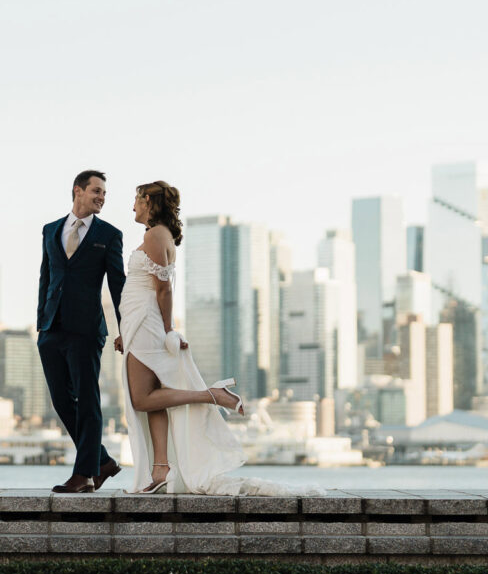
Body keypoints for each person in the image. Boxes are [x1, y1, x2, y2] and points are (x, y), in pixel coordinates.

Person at [119, 181, 323, 496]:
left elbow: (163, 289)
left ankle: (211, 395)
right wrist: (126, 331)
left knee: (141, 399)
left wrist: (168, 329)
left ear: (147, 200)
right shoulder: (156, 235)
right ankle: (161, 469)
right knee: (154, 397)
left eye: (135, 199)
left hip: (146, 323)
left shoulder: (155, 235)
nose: (132, 205)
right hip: (138, 323)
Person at [37, 170, 126, 493]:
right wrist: (40, 324)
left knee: (88, 400)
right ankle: (101, 461)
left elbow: (118, 285)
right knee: (62, 400)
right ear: (78, 191)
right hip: (51, 328)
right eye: (96, 191)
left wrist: (123, 328)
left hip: (86, 330)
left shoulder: (109, 235)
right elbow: (45, 278)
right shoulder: (50, 230)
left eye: (104, 193)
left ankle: (85, 474)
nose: (101, 197)